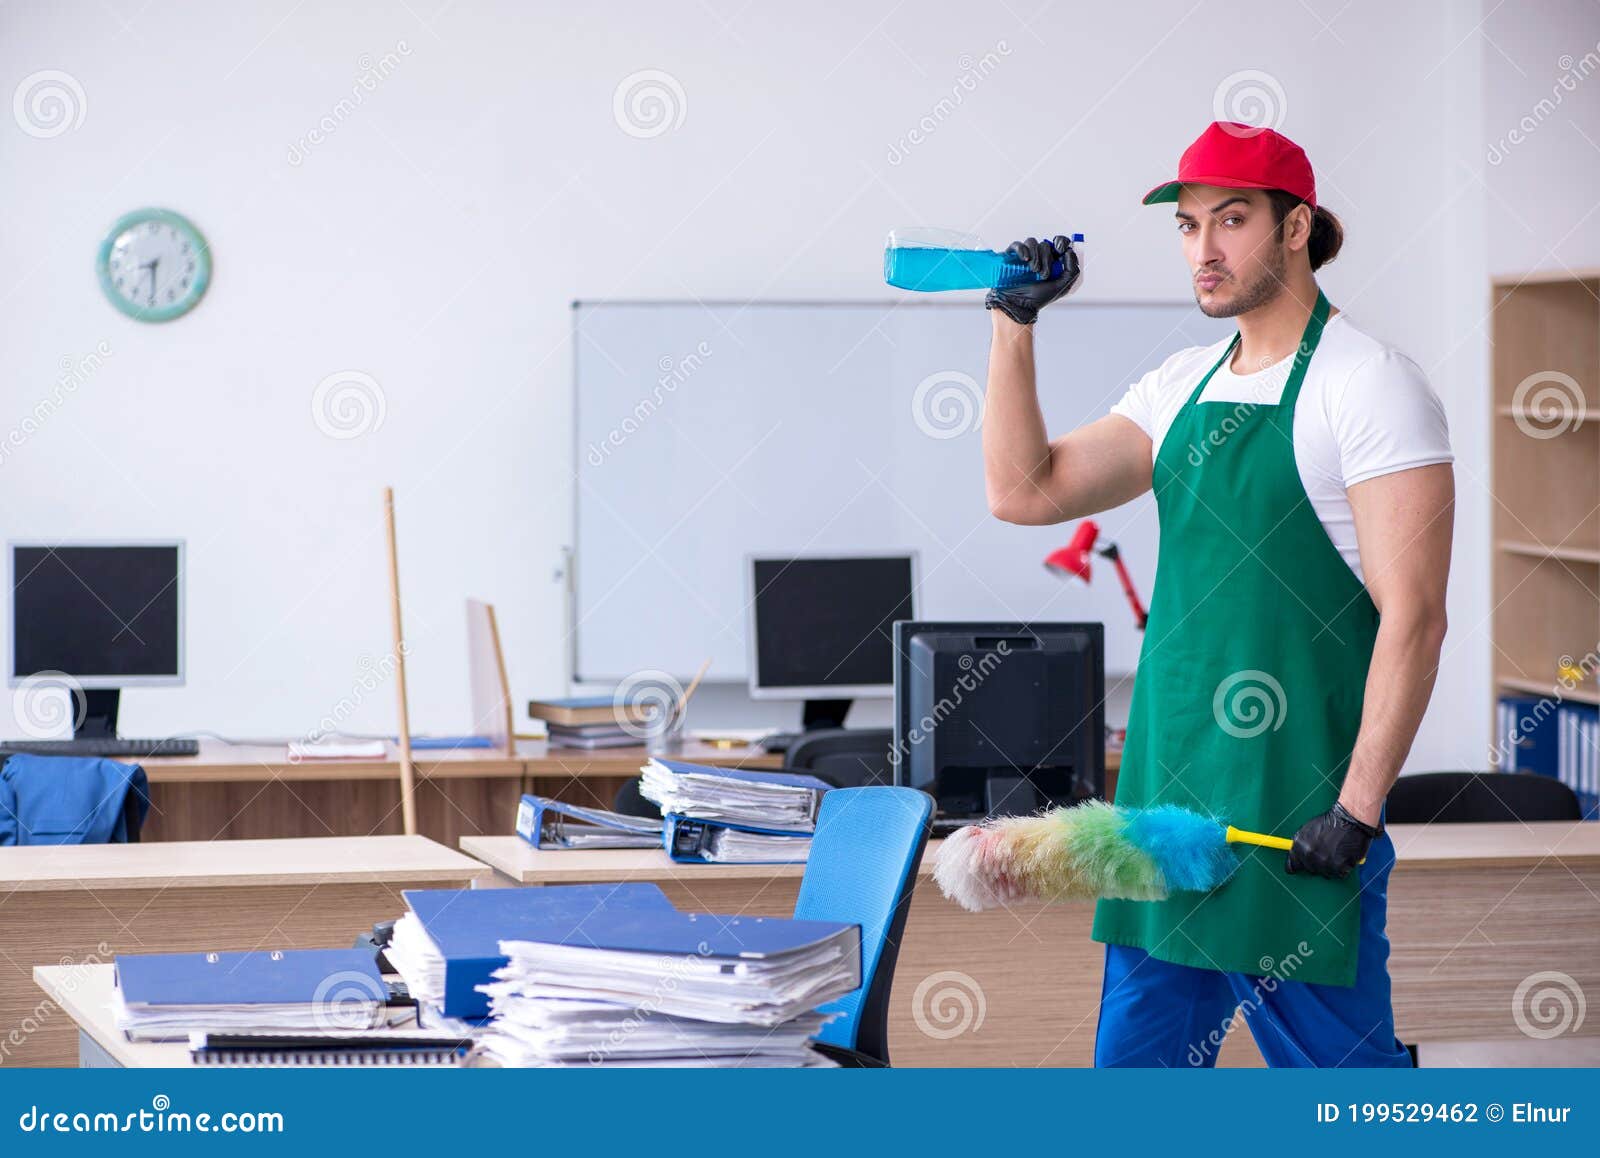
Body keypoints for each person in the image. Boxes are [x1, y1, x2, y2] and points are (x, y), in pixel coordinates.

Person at [981, 121, 1454, 1068]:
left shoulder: (1370, 386)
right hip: (1164, 822)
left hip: (1298, 820)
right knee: (1140, 1092)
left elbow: (1415, 617)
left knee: (1343, 1100)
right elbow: (1022, 491)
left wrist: (1357, 811)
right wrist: (1014, 324)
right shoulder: (1177, 383)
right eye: (1191, 226)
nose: (1204, 250)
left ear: (1295, 228)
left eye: (1231, 221)